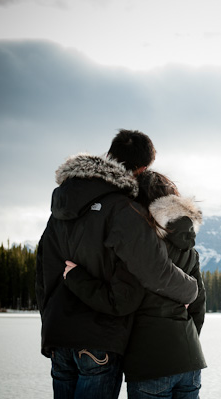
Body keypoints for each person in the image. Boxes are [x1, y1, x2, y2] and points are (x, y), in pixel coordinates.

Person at [35, 130, 198, 399]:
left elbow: (43, 272)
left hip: (58, 336)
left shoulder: (60, 208)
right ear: (143, 168)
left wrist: (50, 325)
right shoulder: (123, 210)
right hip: (99, 340)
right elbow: (154, 271)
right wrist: (190, 291)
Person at [63, 171, 207, 399]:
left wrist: (76, 278)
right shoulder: (190, 250)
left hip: (150, 361)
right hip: (190, 359)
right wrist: (183, 344)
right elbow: (198, 307)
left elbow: (122, 300)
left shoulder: (140, 245)